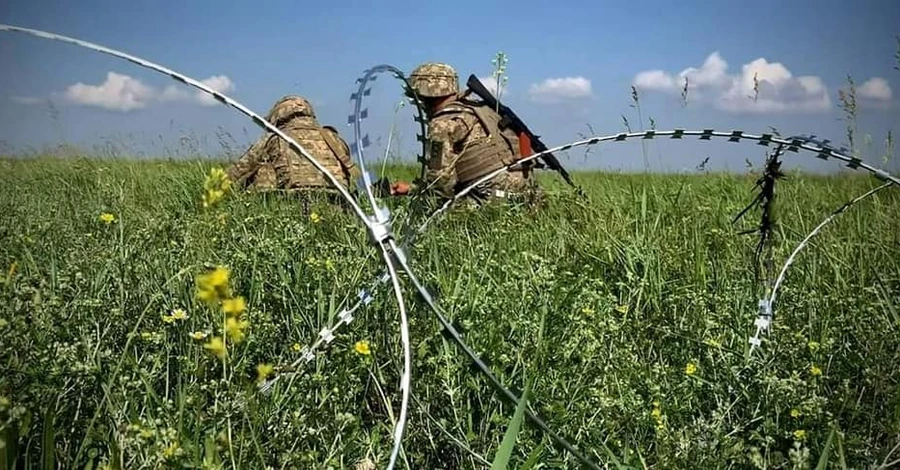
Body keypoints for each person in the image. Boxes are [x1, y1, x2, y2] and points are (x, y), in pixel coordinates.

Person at [385, 62, 540, 204]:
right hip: (527, 192)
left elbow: (439, 184)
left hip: (493, 196)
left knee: (436, 215)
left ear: (425, 95)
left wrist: (421, 198)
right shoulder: (482, 109)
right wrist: (411, 189)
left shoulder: (442, 124)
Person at [226, 95, 359, 200]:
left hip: (292, 209)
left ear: (278, 117)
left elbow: (233, 177)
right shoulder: (334, 138)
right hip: (338, 210)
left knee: (264, 167)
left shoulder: (274, 137)